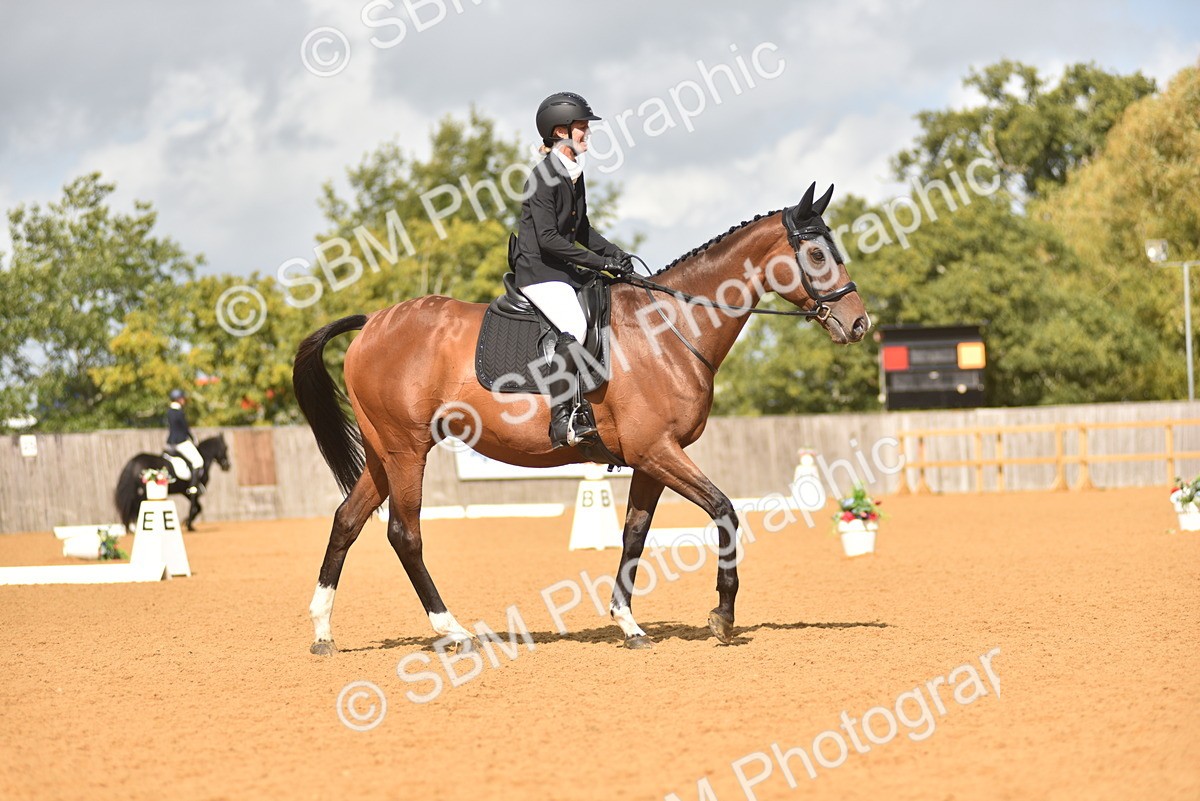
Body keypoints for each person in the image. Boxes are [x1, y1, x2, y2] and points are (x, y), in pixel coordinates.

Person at [513, 91, 634, 448]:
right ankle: (562, 418)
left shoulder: (573, 174)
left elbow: (581, 231)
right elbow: (549, 239)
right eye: (582, 128)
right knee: (575, 325)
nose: (587, 134)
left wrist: (616, 254)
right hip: (538, 271)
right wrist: (600, 263)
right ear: (560, 131)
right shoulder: (542, 177)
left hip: (560, 268)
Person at [165, 389, 204, 495]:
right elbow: (185, 428)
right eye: (182, 398)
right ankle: (193, 487)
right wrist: (193, 438)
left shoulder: (169, 411)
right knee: (198, 461)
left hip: (170, 442)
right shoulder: (179, 412)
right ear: (178, 399)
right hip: (181, 441)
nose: (184, 400)